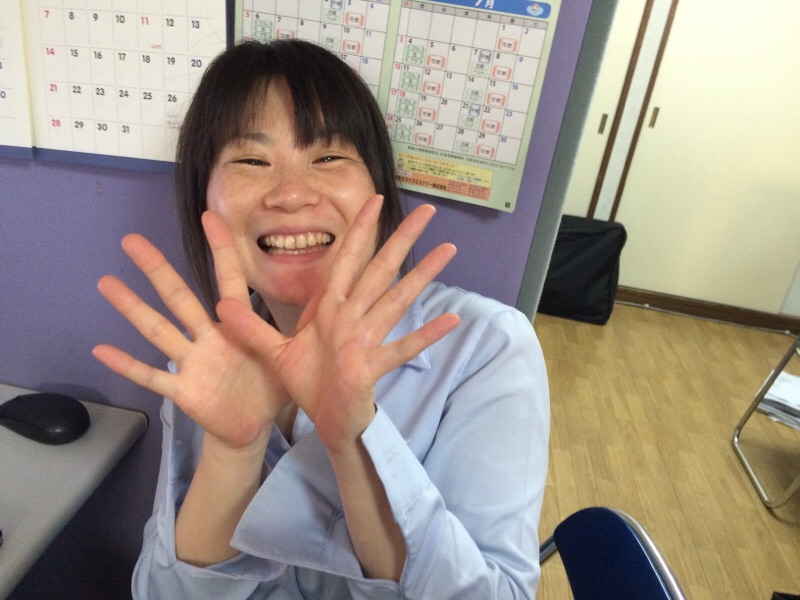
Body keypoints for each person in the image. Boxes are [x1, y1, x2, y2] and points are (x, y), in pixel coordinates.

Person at [94, 39, 549, 599]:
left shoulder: (486, 346)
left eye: (329, 157)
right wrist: (233, 454)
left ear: (377, 187)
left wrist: (354, 440)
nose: (290, 195)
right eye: (251, 161)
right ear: (204, 198)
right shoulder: (204, 367)